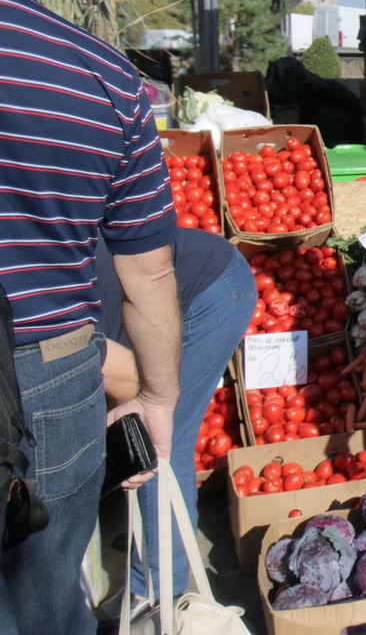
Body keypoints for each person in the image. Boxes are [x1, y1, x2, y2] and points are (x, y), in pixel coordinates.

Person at [0, 0, 182, 633]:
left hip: (47, 369)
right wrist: (158, 398)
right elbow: (147, 276)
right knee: (42, 600)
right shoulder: (100, 77)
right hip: (46, 376)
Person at [92, 230, 255, 628]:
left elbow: (125, 378)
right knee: (147, 436)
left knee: (158, 438)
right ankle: (152, 585)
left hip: (209, 293)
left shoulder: (34, 298)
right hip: (159, 298)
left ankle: (159, 590)